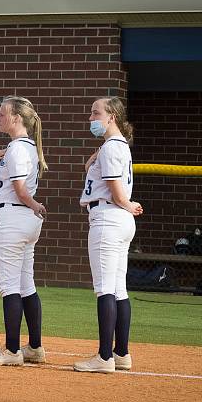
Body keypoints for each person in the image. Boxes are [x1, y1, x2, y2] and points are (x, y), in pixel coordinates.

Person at [74, 96, 143, 374]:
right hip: (116, 220)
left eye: (96, 113)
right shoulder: (115, 146)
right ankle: (121, 353)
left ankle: (104, 357)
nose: (91, 118)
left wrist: (126, 203)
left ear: (112, 116)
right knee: (118, 289)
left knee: (105, 288)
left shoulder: (111, 147)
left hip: (108, 218)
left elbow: (115, 189)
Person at [0, 96, 47, 367]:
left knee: (9, 287)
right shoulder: (23, 147)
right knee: (26, 284)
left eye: (2, 114)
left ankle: (11, 350)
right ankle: (34, 346)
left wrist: (35, 204)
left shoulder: (18, 148)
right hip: (21, 219)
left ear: (17, 118)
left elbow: (20, 191)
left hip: (14, 218)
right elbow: (7, 186)